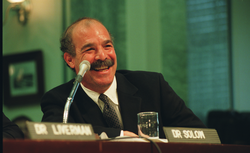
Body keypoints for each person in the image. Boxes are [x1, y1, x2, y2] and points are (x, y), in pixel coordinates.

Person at [41, 17, 206, 138]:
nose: (102, 56)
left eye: (107, 46)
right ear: (70, 59)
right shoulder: (61, 100)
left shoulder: (153, 86)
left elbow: (201, 135)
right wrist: (120, 136)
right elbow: (54, 134)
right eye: (89, 49)